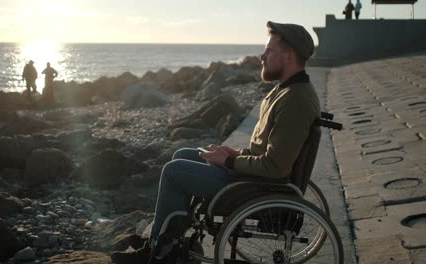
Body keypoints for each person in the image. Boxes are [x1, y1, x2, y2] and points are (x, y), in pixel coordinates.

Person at [110, 20, 320, 264]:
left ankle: (157, 253)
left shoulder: (295, 100)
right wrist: (234, 153)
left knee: (173, 171)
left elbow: (276, 167)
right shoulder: (286, 90)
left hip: (258, 188)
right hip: (255, 180)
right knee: (184, 155)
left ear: (288, 56)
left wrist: (230, 161)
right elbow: (268, 151)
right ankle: (167, 242)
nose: (261, 57)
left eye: (269, 51)